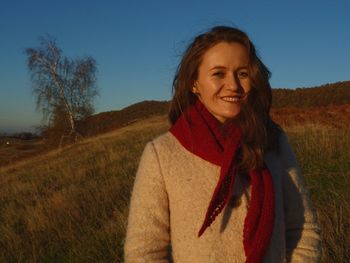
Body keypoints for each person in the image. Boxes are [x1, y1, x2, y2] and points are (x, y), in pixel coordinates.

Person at [124, 26, 321, 263]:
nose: (234, 85)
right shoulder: (162, 153)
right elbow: (144, 252)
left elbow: (303, 227)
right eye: (218, 73)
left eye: (243, 73)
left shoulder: (273, 141)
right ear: (194, 83)